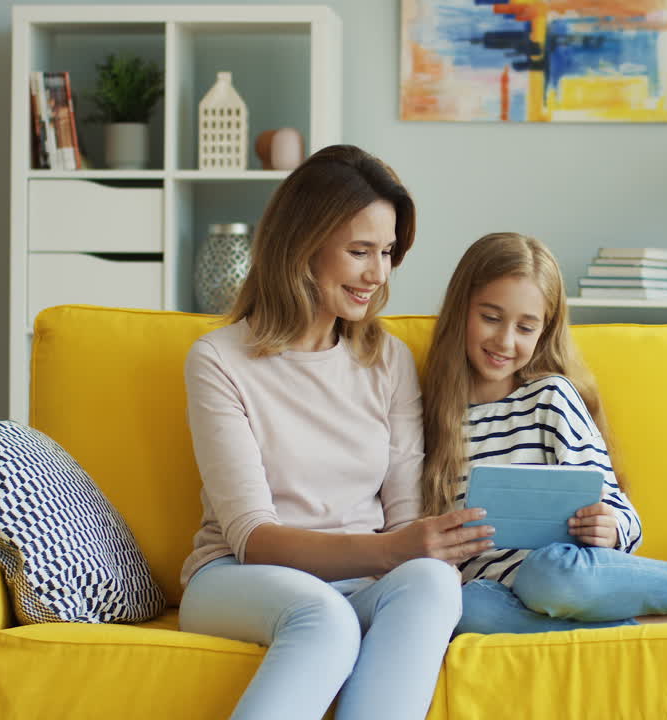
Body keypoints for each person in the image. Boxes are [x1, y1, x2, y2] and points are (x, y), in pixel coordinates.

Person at [178, 145, 495, 720]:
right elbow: (252, 537)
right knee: (324, 617)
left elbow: (404, 519)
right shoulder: (219, 360)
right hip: (239, 577)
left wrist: (418, 548)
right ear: (303, 245)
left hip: (363, 580)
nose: (378, 274)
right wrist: (392, 549)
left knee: (433, 582)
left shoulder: (388, 361)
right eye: (359, 251)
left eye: (387, 252)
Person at [419, 232, 667, 635]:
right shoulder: (429, 415)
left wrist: (609, 528)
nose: (505, 340)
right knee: (466, 611)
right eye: (490, 318)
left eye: (525, 327)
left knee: (546, 574)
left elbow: (622, 515)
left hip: (563, 575)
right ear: (461, 309)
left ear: (544, 332)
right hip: (494, 595)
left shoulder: (550, 399)